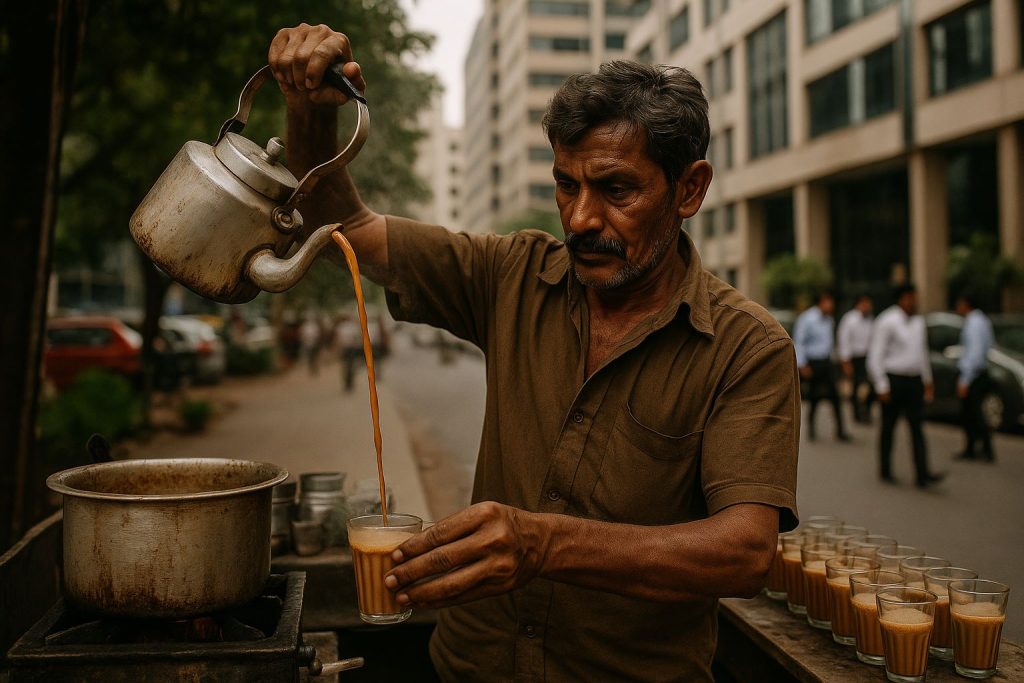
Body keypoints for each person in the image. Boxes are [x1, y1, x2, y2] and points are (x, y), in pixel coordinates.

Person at [269, 24, 799, 682]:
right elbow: (343, 226)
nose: (579, 219)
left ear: (690, 189)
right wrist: (309, 110)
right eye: (566, 185)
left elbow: (745, 552)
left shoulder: (746, 347)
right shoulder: (511, 273)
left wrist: (543, 542)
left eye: (616, 190)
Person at [867, 284, 944, 488]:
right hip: (894, 380)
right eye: (910, 298)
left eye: (915, 298)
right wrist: (881, 385)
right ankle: (885, 469)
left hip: (914, 381)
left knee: (917, 427)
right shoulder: (887, 321)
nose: (913, 302)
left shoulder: (919, 322)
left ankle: (922, 474)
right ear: (901, 299)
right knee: (888, 427)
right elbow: (875, 355)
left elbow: (922, 353)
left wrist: (927, 380)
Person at [794, 292, 850, 442]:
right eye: (828, 302)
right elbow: (799, 342)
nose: (831, 305)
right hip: (813, 362)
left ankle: (840, 431)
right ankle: (811, 429)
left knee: (835, 397)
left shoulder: (829, 320)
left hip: (827, 362)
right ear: (821, 302)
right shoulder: (807, 318)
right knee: (814, 397)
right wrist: (802, 364)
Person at [954, 293, 996, 461]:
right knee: (973, 414)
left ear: (966, 304)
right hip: (979, 373)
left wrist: (965, 379)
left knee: (973, 415)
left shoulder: (974, 323)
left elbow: (975, 353)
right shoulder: (982, 320)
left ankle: (981, 448)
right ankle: (976, 448)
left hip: (974, 375)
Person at [837, 294, 875, 424]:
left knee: (870, 386)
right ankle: (857, 413)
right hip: (854, 357)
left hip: (867, 357)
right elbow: (844, 340)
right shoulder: (849, 319)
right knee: (855, 387)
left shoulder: (870, 319)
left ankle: (866, 410)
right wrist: (846, 361)